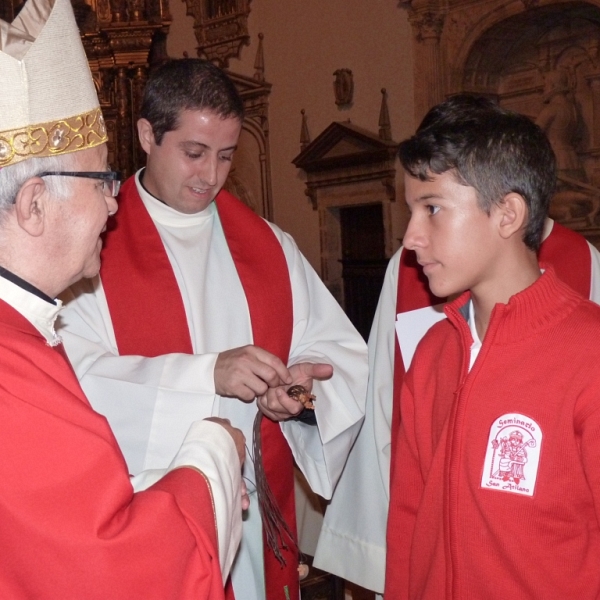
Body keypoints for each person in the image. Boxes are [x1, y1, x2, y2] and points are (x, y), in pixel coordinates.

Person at [59, 58, 368, 600]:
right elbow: (75, 383)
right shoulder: (89, 248)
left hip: (255, 522)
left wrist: (301, 394)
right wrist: (209, 375)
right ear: (148, 135)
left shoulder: (270, 246)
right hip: (157, 514)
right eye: (194, 153)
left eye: (226, 156)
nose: (211, 176)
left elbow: (343, 355)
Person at [0, 0, 248, 597]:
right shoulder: (12, 370)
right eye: (103, 179)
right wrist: (216, 448)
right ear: (35, 205)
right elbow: (121, 569)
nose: (114, 203)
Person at [313, 95, 600, 596]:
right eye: (411, 211)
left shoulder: (588, 355)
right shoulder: (433, 357)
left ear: (507, 213)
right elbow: (407, 526)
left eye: (432, 209)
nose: (410, 238)